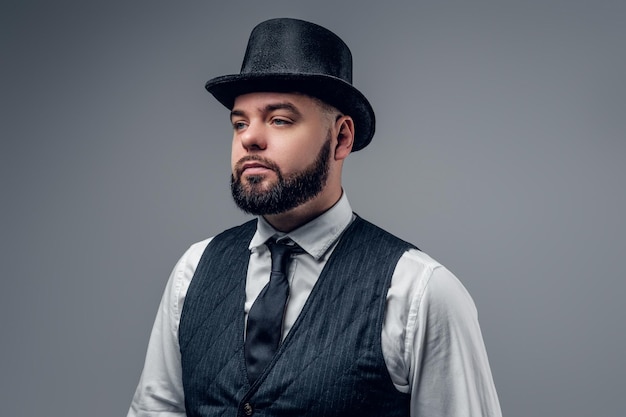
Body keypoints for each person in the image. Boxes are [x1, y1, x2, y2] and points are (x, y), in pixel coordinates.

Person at [127, 18, 502, 417]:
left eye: (280, 119)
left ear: (341, 137)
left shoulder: (419, 293)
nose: (250, 137)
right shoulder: (193, 271)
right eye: (240, 122)